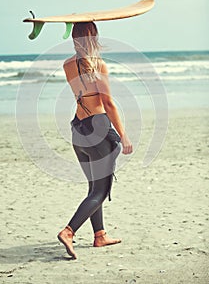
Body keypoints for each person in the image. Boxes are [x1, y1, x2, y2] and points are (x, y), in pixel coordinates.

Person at [57, 22, 132, 259]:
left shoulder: (67, 64)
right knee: (100, 189)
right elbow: (108, 103)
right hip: (98, 128)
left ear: (74, 38)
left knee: (93, 187)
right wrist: (123, 135)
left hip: (78, 129)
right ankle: (69, 231)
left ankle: (100, 235)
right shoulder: (98, 65)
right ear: (94, 36)